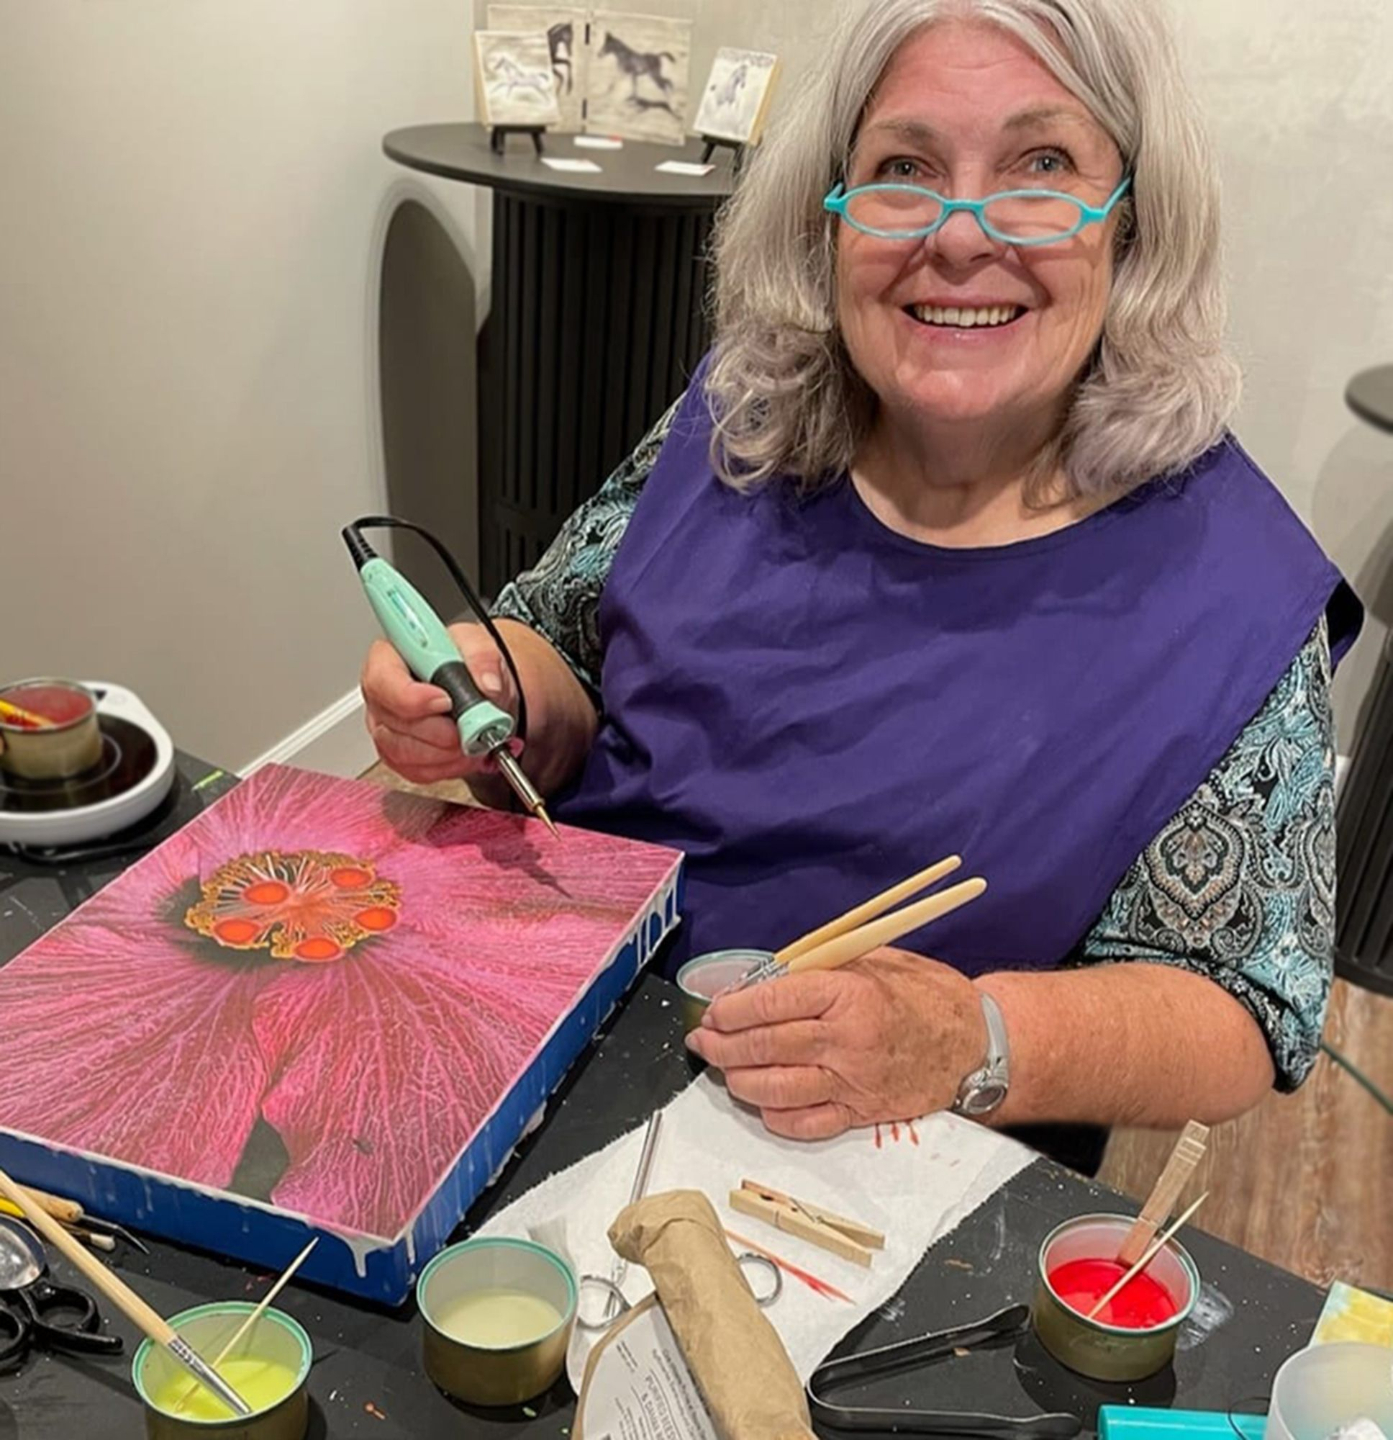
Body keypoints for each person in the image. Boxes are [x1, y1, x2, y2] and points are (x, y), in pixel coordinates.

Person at [361, 0, 1362, 1170]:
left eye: (1041, 167)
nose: (959, 235)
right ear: (830, 212)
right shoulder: (741, 415)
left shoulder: (1232, 589)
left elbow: (1240, 1009)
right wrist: (496, 696)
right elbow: (560, 652)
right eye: (903, 170)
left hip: (869, 1164)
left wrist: (972, 1036)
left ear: (1132, 224)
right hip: (549, 1032)